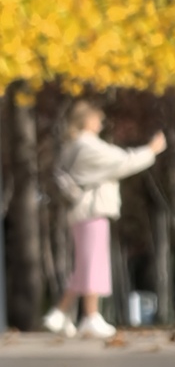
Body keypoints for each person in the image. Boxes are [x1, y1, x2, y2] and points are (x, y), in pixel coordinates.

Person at [46, 99, 164, 338]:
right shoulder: (87, 146)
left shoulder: (72, 146)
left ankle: (60, 313)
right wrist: (151, 149)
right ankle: (90, 315)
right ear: (86, 120)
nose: (101, 122)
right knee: (93, 262)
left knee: (86, 262)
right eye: (97, 117)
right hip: (92, 208)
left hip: (81, 210)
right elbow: (122, 162)